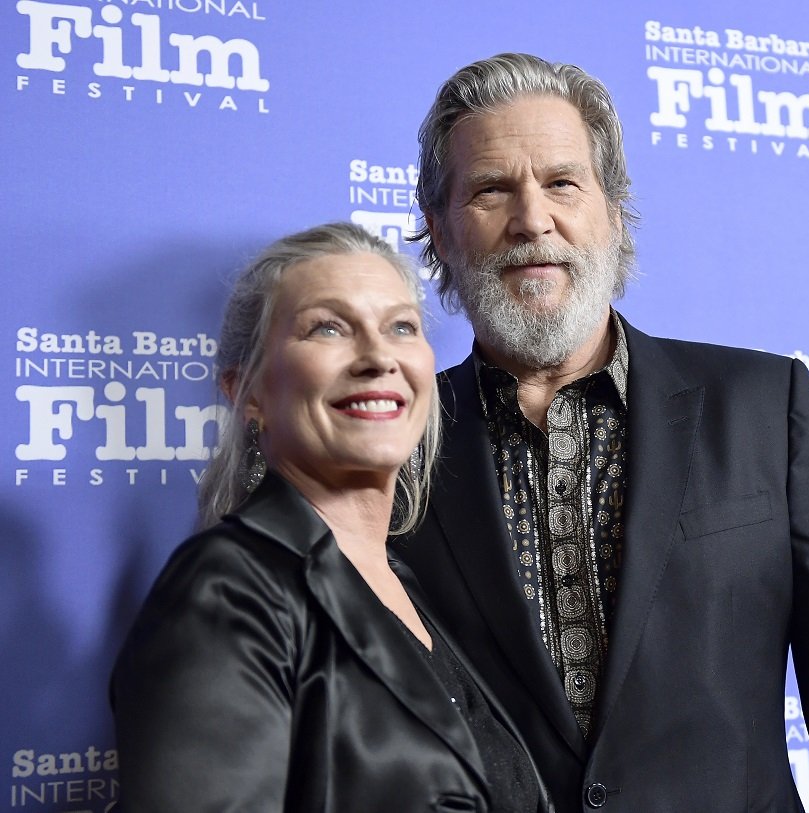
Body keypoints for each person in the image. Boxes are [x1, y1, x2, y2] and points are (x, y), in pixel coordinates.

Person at [395, 53, 809, 812]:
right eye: (492, 190)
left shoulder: (763, 405)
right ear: (439, 232)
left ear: (613, 214)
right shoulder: (397, 444)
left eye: (562, 182)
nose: (533, 219)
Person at [110, 223, 547, 812]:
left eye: (401, 327)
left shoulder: (404, 581)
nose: (378, 358)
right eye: (328, 328)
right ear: (251, 392)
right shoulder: (227, 591)